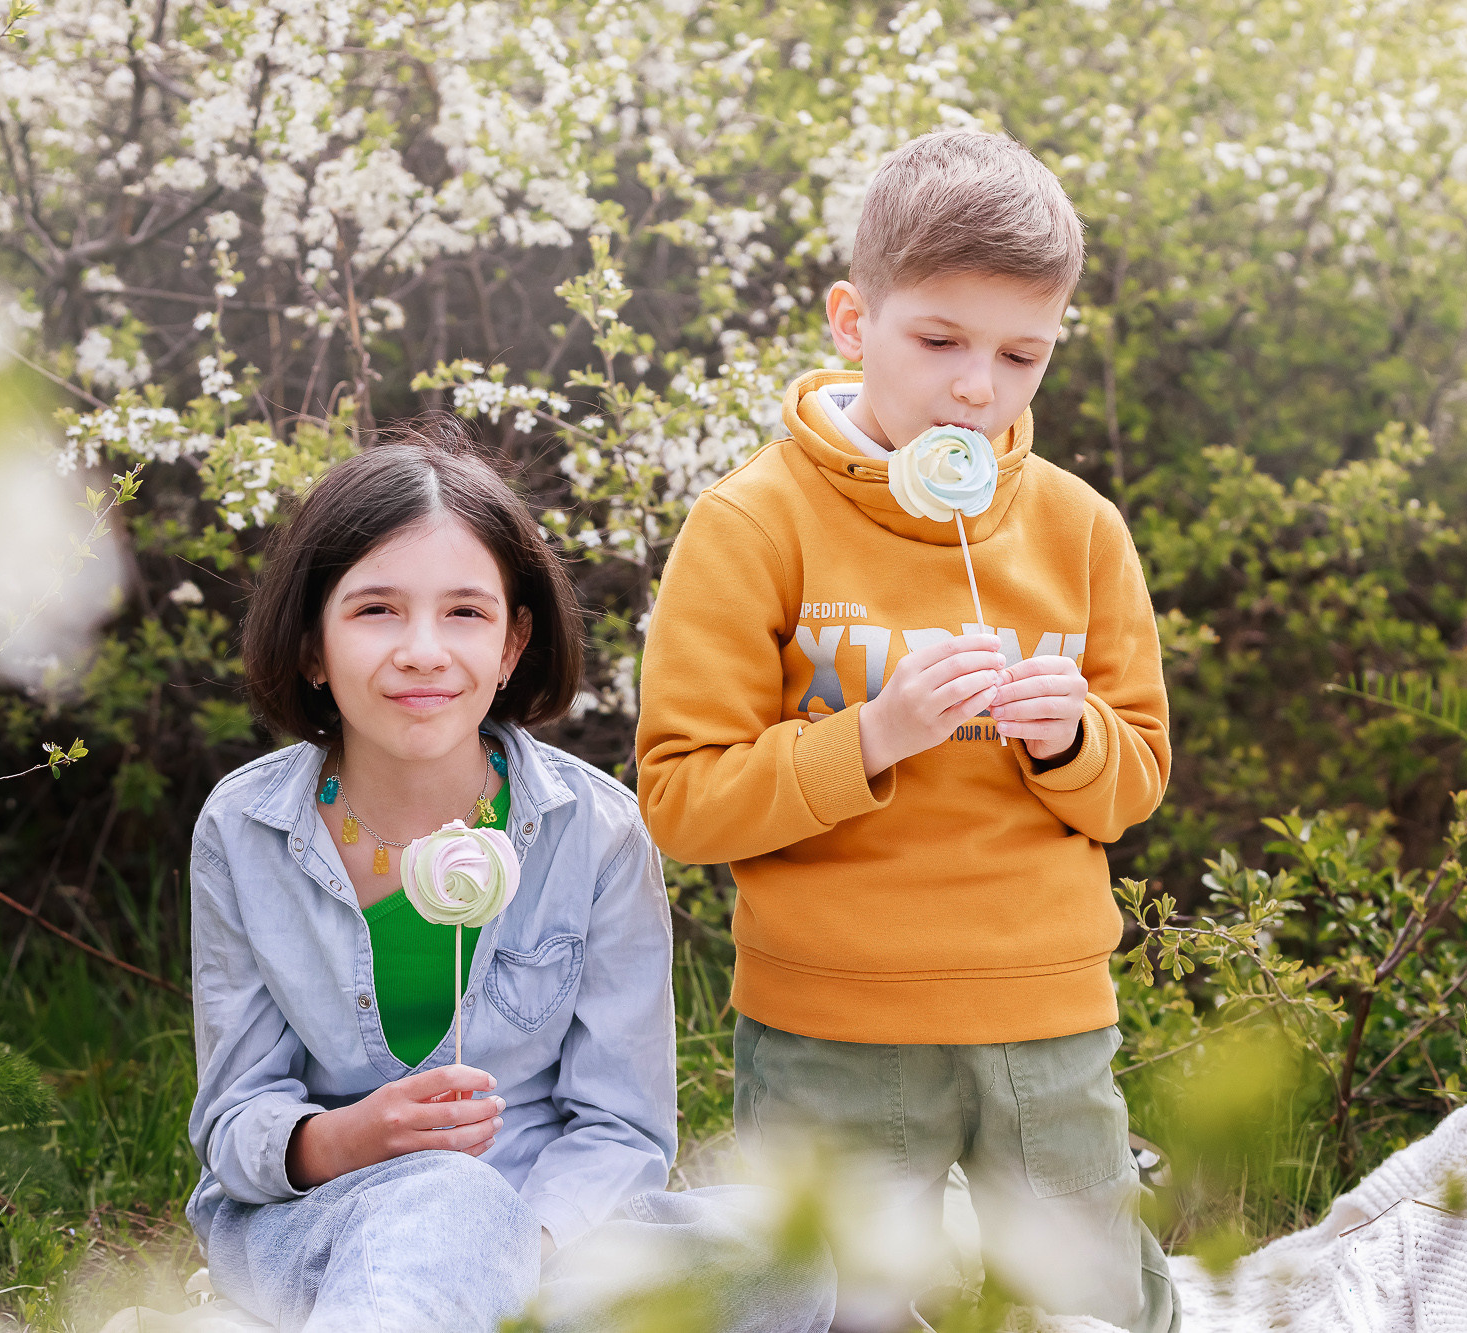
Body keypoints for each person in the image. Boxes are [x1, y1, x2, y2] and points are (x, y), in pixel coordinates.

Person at [636, 129, 1181, 1332]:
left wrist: (1068, 740)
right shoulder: (750, 522)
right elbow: (682, 799)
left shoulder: (1081, 531)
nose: (975, 387)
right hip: (832, 1019)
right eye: (937, 340)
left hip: (1044, 1009)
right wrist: (871, 734)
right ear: (852, 320)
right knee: (834, 1305)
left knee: (1091, 1303)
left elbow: (1130, 781)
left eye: (1018, 353)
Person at [184, 428, 679, 1332]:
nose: (423, 650)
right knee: (449, 1200)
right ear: (311, 646)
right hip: (321, 1216)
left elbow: (625, 1129)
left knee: (782, 1255)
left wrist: (509, 1254)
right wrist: (350, 1137)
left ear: (512, 643)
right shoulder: (244, 828)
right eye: (377, 610)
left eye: (465, 613)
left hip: (543, 1233)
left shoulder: (596, 830)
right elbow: (234, 1119)